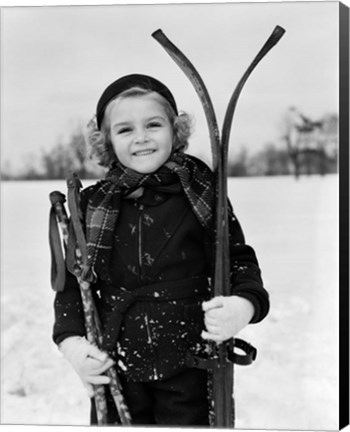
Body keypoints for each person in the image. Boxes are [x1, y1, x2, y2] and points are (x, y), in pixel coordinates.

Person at [52, 74, 269, 426]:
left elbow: (239, 260)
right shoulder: (91, 206)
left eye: (153, 124)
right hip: (116, 364)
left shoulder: (202, 192)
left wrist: (245, 304)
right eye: (124, 130)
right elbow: (74, 284)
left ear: (175, 130)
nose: (141, 137)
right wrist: (71, 341)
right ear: (105, 141)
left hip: (191, 363)